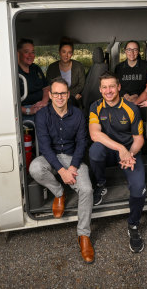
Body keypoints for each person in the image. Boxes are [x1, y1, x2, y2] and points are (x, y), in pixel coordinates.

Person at [29, 77, 94, 263]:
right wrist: (61, 171)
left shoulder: (78, 114)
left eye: (63, 93)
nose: (59, 97)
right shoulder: (42, 115)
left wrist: (72, 167)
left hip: (73, 158)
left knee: (87, 190)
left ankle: (84, 235)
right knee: (35, 168)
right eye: (55, 93)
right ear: (49, 95)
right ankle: (59, 193)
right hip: (52, 157)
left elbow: (82, 142)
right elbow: (45, 147)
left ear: (68, 95)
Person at [88, 71, 146, 253]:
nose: (108, 90)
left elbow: (139, 139)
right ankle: (101, 184)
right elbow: (94, 134)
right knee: (94, 151)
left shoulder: (131, 108)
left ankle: (134, 225)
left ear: (119, 87)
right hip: (111, 151)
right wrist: (119, 148)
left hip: (130, 152)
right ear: (100, 90)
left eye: (112, 86)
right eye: (104, 87)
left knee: (138, 188)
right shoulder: (95, 106)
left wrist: (129, 153)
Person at [46, 38, 85, 106]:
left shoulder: (79, 66)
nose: (66, 55)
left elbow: (81, 85)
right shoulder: (52, 68)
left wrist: (70, 95)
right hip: (56, 98)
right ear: (59, 52)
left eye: (69, 52)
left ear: (72, 54)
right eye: (64, 52)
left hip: (73, 100)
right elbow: (49, 85)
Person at [17, 38, 49, 119]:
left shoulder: (36, 68)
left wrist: (44, 102)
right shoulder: (13, 72)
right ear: (18, 54)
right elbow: (8, 103)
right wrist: (28, 110)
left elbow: (46, 87)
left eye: (33, 52)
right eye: (26, 52)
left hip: (42, 106)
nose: (30, 55)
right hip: (24, 110)